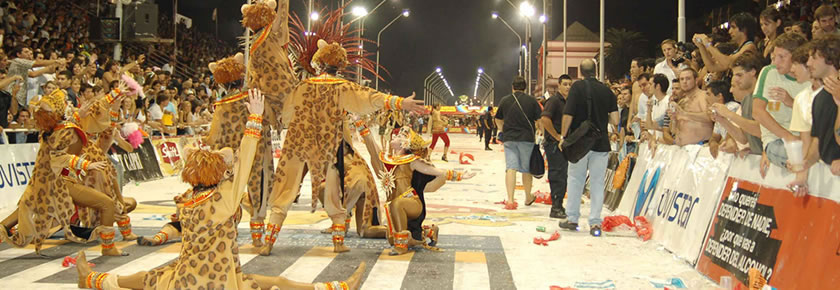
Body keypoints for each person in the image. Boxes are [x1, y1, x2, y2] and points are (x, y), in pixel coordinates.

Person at [74, 88, 366, 290]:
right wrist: (254, 119)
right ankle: (335, 287)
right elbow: (246, 157)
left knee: (149, 277)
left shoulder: (189, 200)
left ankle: (94, 281)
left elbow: (179, 221)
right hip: (218, 281)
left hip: (187, 278)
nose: (232, 158)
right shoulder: (223, 198)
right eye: (228, 161)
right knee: (277, 283)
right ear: (223, 172)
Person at [260, 39, 424, 256]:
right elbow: (369, 97)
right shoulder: (342, 87)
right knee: (334, 192)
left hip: (298, 143)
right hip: (329, 145)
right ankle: (338, 242)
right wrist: (399, 102)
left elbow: (286, 116)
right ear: (339, 66)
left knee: (284, 189)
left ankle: (268, 242)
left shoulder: (302, 86)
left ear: (317, 64)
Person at [379, 128, 474, 254]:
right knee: (392, 237)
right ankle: (428, 231)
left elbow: (437, 172)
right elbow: (372, 149)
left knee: (397, 204)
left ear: (405, 143)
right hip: (394, 204)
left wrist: (460, 175)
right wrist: (361, 126)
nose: (395, 135)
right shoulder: (387, 159)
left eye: (400, 135)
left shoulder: (412, 161)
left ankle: (401, 246)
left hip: (411, 202)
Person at [558, 59, 618, 236]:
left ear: (581, 72)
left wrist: (563, 136)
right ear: (596, 70)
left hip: (579, 143)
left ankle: (572, 218)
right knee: (597, 183)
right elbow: (615, 120)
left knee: (576, 179)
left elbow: (568, 114)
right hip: (600, 143)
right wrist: (601, 118)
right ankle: (595, 223)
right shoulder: (607, 91)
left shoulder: (576, 88)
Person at [788, 35, 840, 197]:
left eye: (813, 57)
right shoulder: (819, 98)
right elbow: (818, 140)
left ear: (830, 59)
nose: (808, 63)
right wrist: (805, 165)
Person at [752, 32, 810, 175]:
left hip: (807, 139)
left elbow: (816, 115)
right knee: (802, 158)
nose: (776, 62)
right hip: (776, 140)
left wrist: (792, 103)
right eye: (775, 56)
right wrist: (787, 136)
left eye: (782, 57)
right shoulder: (769, 73)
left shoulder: (810, 78)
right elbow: (757, 112)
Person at [495, 76, 542, 210]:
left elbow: (498, 119)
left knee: (511, 167)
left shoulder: (505, 100)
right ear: (525, 87)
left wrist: (502, 129)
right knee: (526, 168)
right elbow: (539, 120)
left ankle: (510, 200)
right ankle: (528, 197)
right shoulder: (532, 101)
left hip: (509, 138)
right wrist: (539, 132)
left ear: (513, 87)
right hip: (527, 138)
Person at [711, 53, 764, 156]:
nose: (735, 79)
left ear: (753, 72)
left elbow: (760, 130)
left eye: (739, 75)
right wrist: (721, 119)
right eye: (734, 75)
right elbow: (743, 138)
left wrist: (729, 114)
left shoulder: (764, 96)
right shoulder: (746, 100)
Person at [540, 74, 571, 218]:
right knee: (557, 174)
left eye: (569, 84)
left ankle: (559, 205)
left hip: (564, 145)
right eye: (565, 84)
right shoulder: (553, 101)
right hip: (553, 144)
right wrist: (557, 137)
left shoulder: (569, 102)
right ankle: (556, 206)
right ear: (559, 85)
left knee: (563, 175)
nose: (567, 87)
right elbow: (545, 119)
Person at [694, 13, 759, 73]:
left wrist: (708, 44)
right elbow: (712, 67)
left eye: (733, 27)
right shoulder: (738, 49)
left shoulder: (749, 46)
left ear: (744, 29)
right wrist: (701, 46)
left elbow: (728, 63)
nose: (730, 31)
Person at [672, 68, 714, 146]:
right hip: (682, 148)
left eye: (688, 78)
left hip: (700, 147)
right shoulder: (682, 101)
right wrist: (674, 119)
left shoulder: (704, 96)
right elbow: (673, 131)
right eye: (682, 79)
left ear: (696, 80)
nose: (684, 81)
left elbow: (710, 117)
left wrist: (685, 113)